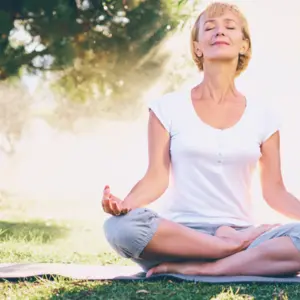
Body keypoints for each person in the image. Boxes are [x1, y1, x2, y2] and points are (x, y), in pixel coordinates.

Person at [102, 2, 300, 277]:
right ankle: (226, 252)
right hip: (182, 237)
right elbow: (156, 177)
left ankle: (209, 268)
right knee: (119, 228)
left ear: (244, 45)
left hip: (241, 231)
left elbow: (275, 192)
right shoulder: (166, 108)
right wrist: (127, 204)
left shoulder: (264, 116)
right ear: (198, 47)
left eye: (230, 27)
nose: (220, 31)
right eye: (210, 27)